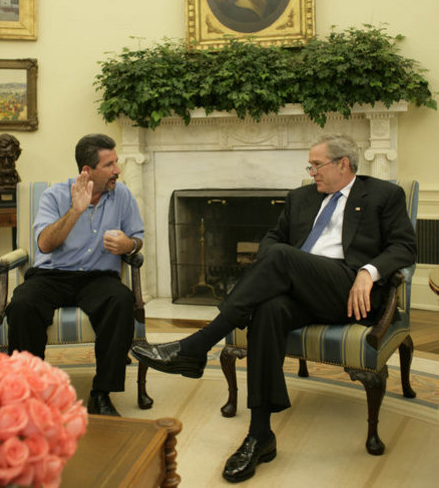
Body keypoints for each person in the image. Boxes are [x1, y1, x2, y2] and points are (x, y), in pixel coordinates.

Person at [132, 133, 416, 482]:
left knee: (281, 257)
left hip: (348, 292)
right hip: (303, 291)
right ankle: (260, 434)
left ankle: (196, 346)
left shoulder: (383, 195)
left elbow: (404, 247)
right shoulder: (301, 198)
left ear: (343, 164)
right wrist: (276, 270)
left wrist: (368, 272)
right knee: (267, 310)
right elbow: (272, 239)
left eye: (316, 165)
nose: (311, 172)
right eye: (309, 166)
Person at [6, 133, 144, 417]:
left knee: (120, 300)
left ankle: (102, 394)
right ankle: (32, 392)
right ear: (87, 170)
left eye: (116, 162)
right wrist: (75, 210)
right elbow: (44, 244)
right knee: (22, 304)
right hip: (52, 275)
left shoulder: (123, 195)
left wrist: (128, 245)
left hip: (97, 278)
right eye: (109, 164)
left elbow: (137, 238)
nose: (117, 170)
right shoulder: (55, 195)